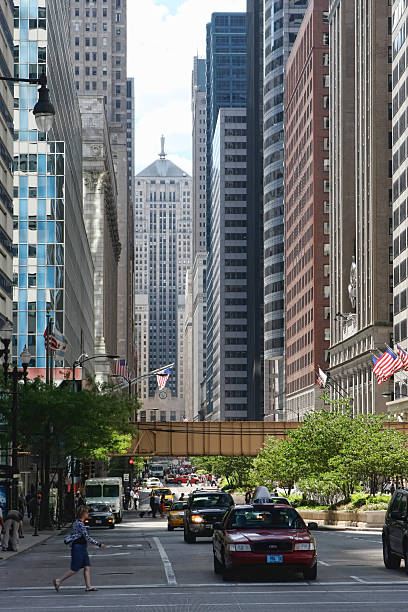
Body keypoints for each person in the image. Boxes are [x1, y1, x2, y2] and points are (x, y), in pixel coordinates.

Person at [53, 506, 105, 593]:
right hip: (78, 548)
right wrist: (99, 544)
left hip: (82, 547)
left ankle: (88, 586)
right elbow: (87, 537)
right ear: (83, 514)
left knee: (87, 566)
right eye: (87, 512)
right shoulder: (80, 524)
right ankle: (59, 580)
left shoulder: (78, 523)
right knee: (75, 569)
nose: (88, 514)